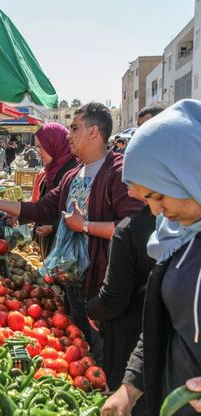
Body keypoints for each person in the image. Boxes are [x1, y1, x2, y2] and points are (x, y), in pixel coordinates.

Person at [0, 103, 143, 359]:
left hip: (105, 284)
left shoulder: (118, 171)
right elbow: (39, 209)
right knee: (83, 346)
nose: (68, 134)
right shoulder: (73, 175)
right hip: (74, 281)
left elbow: (134, 227)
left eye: (74, 127)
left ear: (94, 132)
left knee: (107, 352)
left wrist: (86, 226)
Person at [101, 99, 201, 416]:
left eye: (157, 196)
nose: (155, 211)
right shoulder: (178, 238)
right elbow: (163, 323)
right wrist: (128, 389)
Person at [86, 104, 163, 415]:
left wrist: (89, 308)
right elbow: (159, 318)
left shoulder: (132, 231)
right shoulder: (170, 233)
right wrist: (129, 388)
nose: (158, 212)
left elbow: (116, 299)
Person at [31, 123, 77, 259]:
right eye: (37, 146)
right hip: (50, 246)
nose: (38, 151)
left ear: (55, 143)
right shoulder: (51, 170)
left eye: (41, 146)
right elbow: (44, 204)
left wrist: (54, 227)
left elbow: (78, 212)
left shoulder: (70, 172)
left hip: (64, 252)